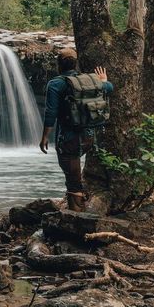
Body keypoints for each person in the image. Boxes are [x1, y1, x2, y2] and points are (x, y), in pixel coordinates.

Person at [39, 47, 113, 211]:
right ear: (76, 64)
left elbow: (50, 112)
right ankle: (78, 209)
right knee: (74, 173)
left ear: (59, 65)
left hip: (68, 138)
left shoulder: (56, 84)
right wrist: (103, 80)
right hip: (89, 137)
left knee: (73, 179)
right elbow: (109, 88)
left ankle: (77, 216)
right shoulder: (89, 81)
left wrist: (45, 136)